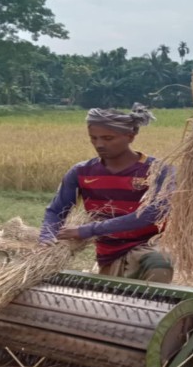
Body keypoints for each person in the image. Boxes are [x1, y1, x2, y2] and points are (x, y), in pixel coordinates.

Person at [40, 107, 175, 283]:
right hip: (109, 251)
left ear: (130, 136)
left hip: (150, 244)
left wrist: (87, 230)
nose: (99, 145)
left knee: (159, 263)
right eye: (93, 138)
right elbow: (57, 211)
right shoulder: (81, 172)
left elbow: (152, 213)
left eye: (108, 138)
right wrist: (46, 237)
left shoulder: (158, 170)